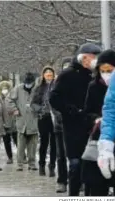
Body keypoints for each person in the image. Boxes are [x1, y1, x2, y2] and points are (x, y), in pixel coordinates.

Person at [49, 43, 101, 196]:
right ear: (83, 58)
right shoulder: (67, 75)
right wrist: (72, 110)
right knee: (75, 164)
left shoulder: (95, 76)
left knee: (91, 165)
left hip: (92, 126)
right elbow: (54, 98)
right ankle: (73, 194)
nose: (95, 60)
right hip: (73, 127)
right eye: (93, 57)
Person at [82, 49, 115, 196]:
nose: (107, 74)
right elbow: (87, 111)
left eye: (110, 70)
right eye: (103, 70)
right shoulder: (94, 86)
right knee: (96, 181)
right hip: (99, 136)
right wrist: (96, 119)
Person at [6, 72, 38, 171]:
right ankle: (19, 164)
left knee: (32, 145)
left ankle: (32, 164)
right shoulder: (18, 89)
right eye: (26, 82)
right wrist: (14, 109)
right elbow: (8, 99)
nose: (28, 84)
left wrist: (34, 108)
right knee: (21, 145)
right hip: (21, 121)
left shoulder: (37, 89)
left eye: (30, 83)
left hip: (33, 121)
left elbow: (42, 102)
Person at [50, 58, 71, 193]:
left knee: (76, 155)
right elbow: (52, 102)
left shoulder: (77, 82)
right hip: (60, 125)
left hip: (76, 125)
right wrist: (61, 115)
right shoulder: (56, 83)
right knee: (61, 154)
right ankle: (62, 181)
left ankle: (77, 179)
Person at [31, 66, 56, 177]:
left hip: (55, 117)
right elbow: (33, 103)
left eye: (50, 72)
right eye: (46, 72)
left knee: (54, 143)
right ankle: (42, 164)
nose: (49, 74)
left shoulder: (57, 85)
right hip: (44, 117)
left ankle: (52, 166)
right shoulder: (39, 87)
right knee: (44, 142)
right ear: (43, 75)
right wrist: (40, 109)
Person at [0, 80, 17, 164]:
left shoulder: (13, 98)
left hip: (14, 122)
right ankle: (10, 157)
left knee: (17, 140)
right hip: (4, 123)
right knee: (6, 142)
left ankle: (23, 156)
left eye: (6, 89)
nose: (4, 91)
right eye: (3, 89)